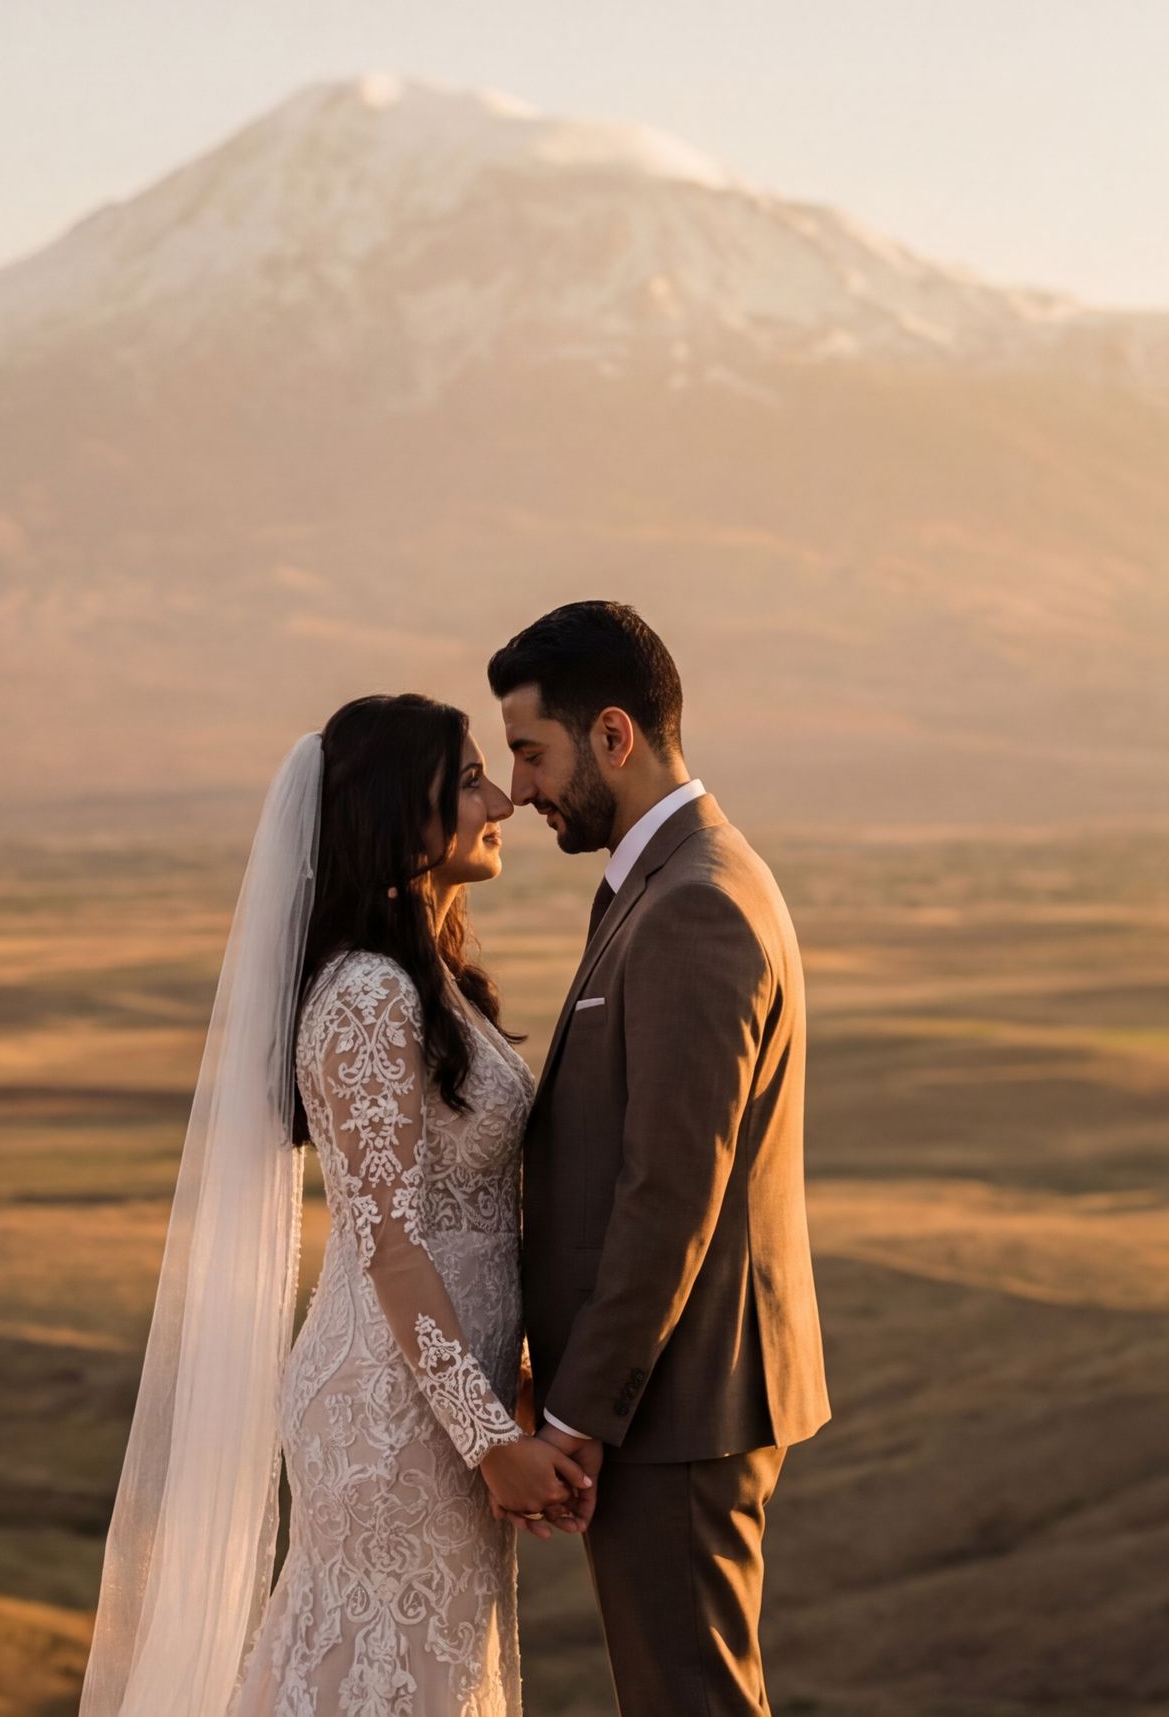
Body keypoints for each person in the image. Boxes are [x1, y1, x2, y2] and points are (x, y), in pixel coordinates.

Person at [81, 693, 588, 1717]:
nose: (502, 800)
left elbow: (464, 1221)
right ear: (408, 814)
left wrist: (511, 1388)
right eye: (473, 782)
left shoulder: (426, 981)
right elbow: (391, 1248)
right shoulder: (366, 995)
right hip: (392, 1417)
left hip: (437, 1397)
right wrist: (487, 1439)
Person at [491, 601, 830, 1716]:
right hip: (668, 1401)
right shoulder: (667, 882)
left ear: (614, 736)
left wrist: (580, 1413)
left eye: (533, 754)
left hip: (676, 1407)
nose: (524, 789)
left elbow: (670, 1193)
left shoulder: (696, 904)